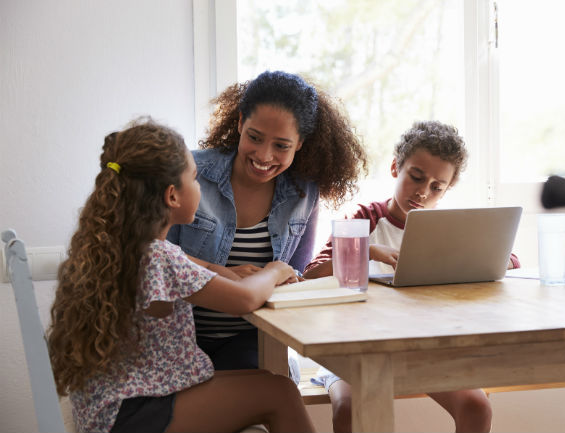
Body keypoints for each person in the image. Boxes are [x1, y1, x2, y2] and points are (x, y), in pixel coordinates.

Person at [47, 119, 315, 433]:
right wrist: (275, 269)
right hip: (134, 413)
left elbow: (196, 265)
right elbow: (244, 300)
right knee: (280, 393)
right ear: (173, 196)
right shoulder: (159, 257)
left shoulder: (129, 247)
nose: (200, 189)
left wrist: (226, 272)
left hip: (114, 408)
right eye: (196, 179)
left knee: (269, 381)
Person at [304, 120, 520, 433]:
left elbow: (510, 259)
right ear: (395, 168)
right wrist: (367, 250)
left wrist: (475, 255)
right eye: (416, 177)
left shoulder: (446, 228)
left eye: (437, 187)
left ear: (447, 190)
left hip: (419, 347)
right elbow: (312, 273)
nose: (422, 191)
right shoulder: (365, 218)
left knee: (477, 406)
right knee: (350, 409)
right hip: (354, 347)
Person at [167, 70, 367, 372]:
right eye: (254, 138)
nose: (264, 155)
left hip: (253, 340)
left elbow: (293, 272)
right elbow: (154, 258)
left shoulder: (304, 192)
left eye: (281, 146)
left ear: (300, 143)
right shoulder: (190, 173)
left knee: (275, 382)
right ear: (239, 123)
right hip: (179, 338)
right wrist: (221, 274)